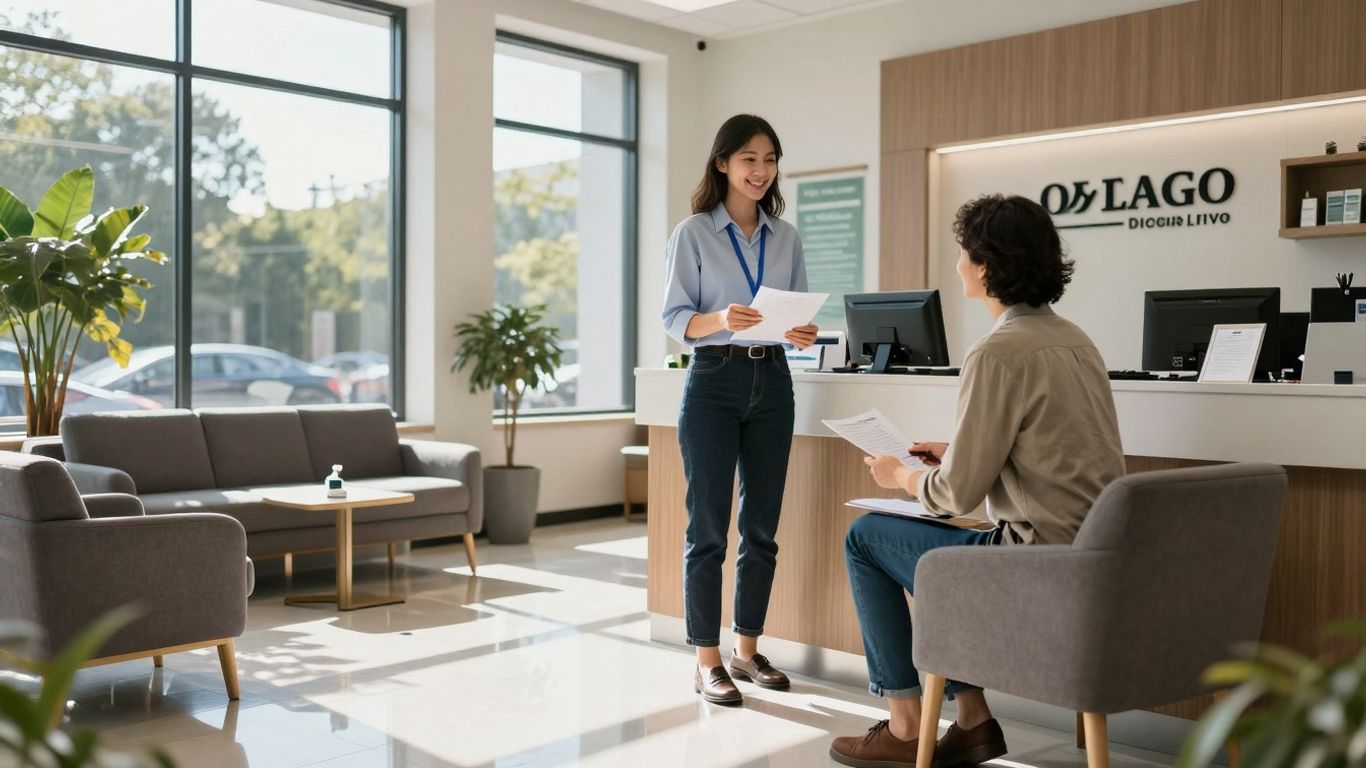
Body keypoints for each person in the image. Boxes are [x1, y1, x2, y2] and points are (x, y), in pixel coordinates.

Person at [828, 194, 1126, 767]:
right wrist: (956, 453)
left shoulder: (995, 352)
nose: (959, 263)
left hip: (1034, 562)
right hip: (1092, 555)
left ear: (986, 265)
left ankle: (905, 724)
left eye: (964, 252)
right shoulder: (1076, 340)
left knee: (866, 537)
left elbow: (955, 497)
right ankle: (971, 720)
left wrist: (901, 475)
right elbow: (1049, 447)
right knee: (945, 559)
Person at [661, 114, 818, 706]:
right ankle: (706, 660)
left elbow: (794, 314)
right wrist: (722, 318)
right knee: (707, 528)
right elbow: (676, 320)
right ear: (723, 163)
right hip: (714, 379)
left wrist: (802, 333)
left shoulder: (787, 237)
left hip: (773, 377)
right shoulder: (694, 233)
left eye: (770, 159)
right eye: (749, 158)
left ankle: (746, 652)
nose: (761, 170)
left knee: (762, 528)